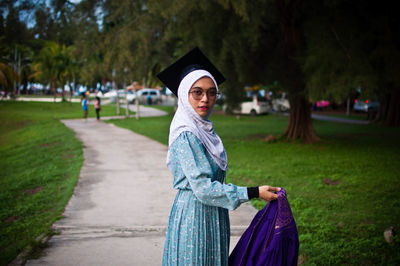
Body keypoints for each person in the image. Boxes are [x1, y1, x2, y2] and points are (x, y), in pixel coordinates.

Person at [157, 47, 281, 266]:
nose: (205, 98)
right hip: (194, 218)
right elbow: (204, 189)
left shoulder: (203, 130)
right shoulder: (186, 134)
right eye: (197, 92)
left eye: (211, 92)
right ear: (185, 94)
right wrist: (253, 192)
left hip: (213, 215)